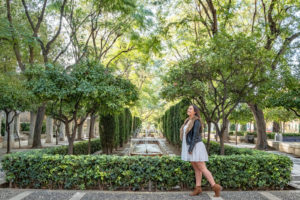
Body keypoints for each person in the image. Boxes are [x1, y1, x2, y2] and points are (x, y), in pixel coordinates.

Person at [180, 104, 222, 197]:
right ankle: (198, 188)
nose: (188, 109)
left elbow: (195, 136)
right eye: (188, 108)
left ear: (195, 111)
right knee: (196, 169)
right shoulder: (187, 121)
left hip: (196, 146)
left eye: (190, 108)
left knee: (202, 168)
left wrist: (190, 148)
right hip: (190, 146)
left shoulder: (196, 121)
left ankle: (215, 186)